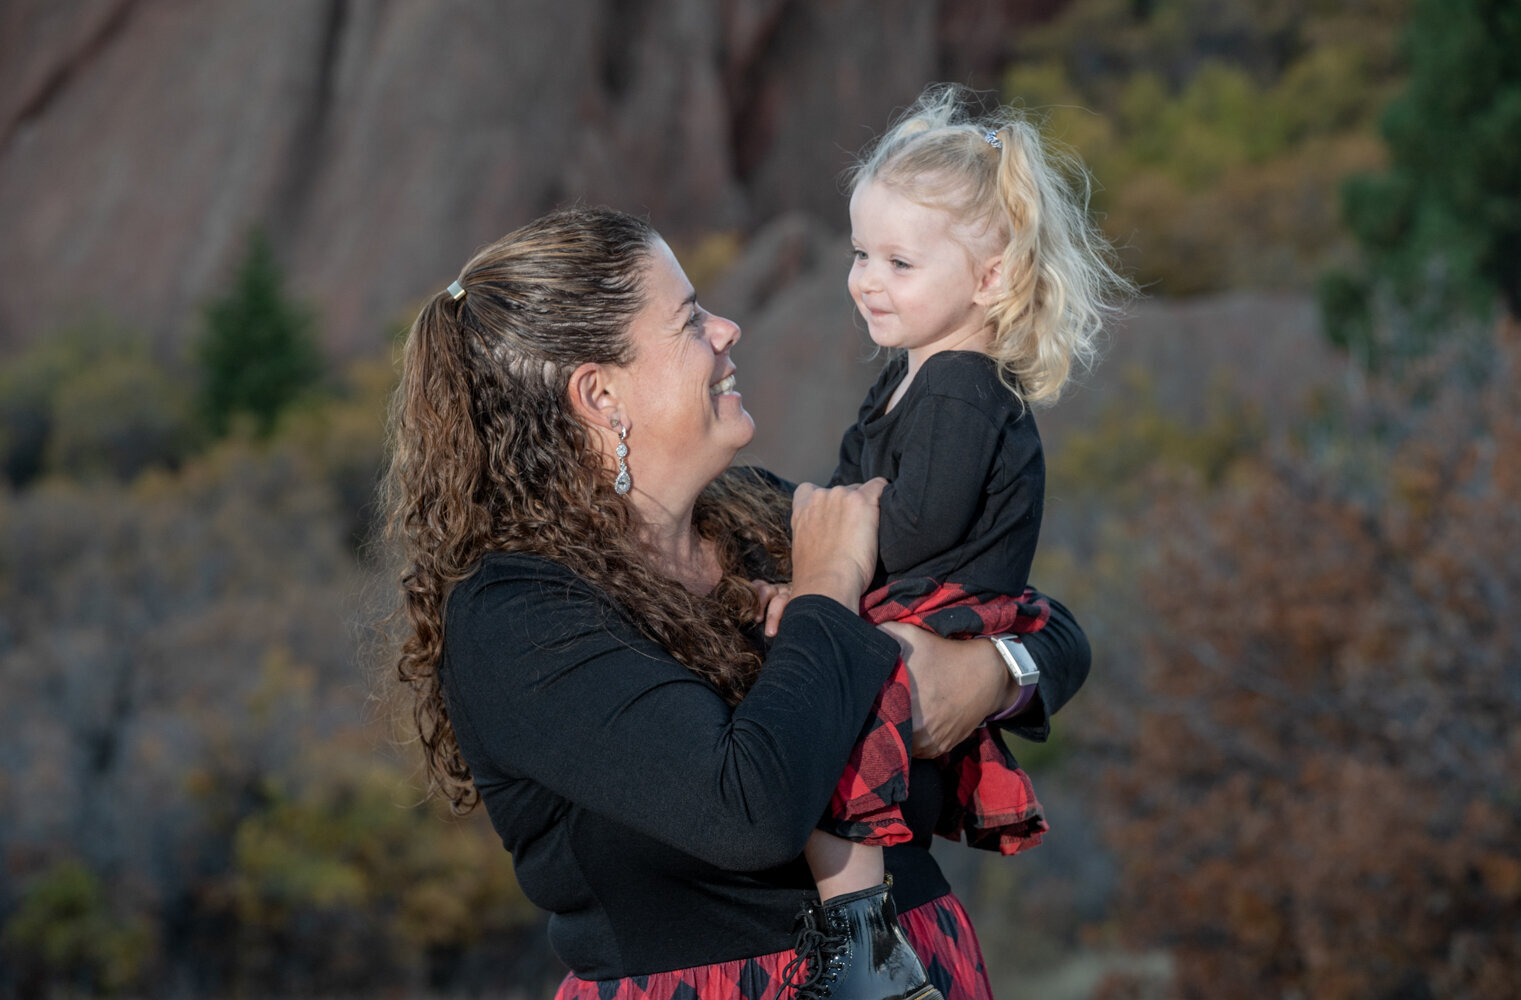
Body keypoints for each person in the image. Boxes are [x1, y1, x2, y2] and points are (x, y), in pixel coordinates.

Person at [381, 205, 1091, 1000]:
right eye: (689, 321)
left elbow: (1048, 627)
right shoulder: (517, 616)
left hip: (929, 965)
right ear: (598, 393)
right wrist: (825, 590)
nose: (726, 330)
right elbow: (745, 811)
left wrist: (989, 675)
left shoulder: (757, 516)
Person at [776, 83, 1134, 998]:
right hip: (916, 597)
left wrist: (827, 553)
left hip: (943, 605)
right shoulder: (911, 378)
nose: (865, 279)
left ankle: (860, 947)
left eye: (899, 262)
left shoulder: (961, 387)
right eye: (861, 253)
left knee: (826, 717)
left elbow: (919, 524)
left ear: (990, 279)